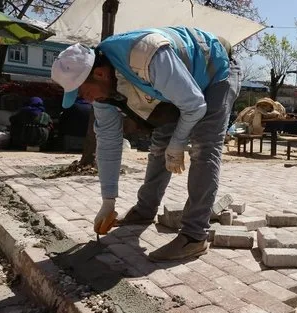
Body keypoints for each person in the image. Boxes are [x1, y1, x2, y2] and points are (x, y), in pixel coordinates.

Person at [51, 26, 240, 261]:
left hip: (215, 72)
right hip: (181, 86)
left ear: (99, 74)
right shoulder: (103, 91)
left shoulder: (146, 56)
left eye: (82, 92)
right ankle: (144, 210)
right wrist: (108, 200)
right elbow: (109, 142)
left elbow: (195, 106)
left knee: (204, 147)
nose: (84, 99)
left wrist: (179, 143)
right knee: (161, 142)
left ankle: (194, 237)